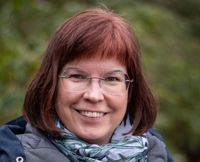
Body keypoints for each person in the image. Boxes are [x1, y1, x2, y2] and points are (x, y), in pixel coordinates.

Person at [0, 7, 174, 162]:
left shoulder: (156, 152)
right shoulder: (11, 155)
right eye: (77, 76)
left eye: (112, 79)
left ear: (131, 90)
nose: (94, 95)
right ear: (50, 83)